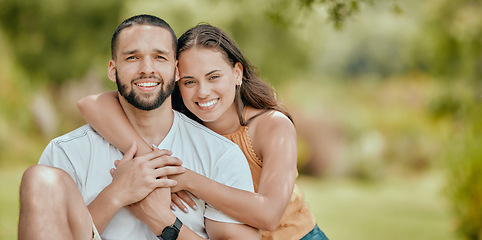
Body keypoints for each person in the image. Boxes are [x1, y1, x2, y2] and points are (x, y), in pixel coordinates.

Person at [18, 14, 260, 240]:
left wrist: (166, 223)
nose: (147, 68)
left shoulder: (219, 154)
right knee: (38, 178)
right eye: (132, 57)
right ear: (113, 69)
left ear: (176, 70)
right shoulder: (67, 152)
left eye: (159, 57)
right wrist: (117, 194)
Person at [77, 24, 329, 240]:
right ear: (176, 80)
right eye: (189, 81)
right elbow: (90, 104)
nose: (203, 92)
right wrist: (158, 166)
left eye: (214, 77)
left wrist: (185, 178)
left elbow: (269, 215)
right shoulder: (182, 118)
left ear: (237, 73)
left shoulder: (272, 125)